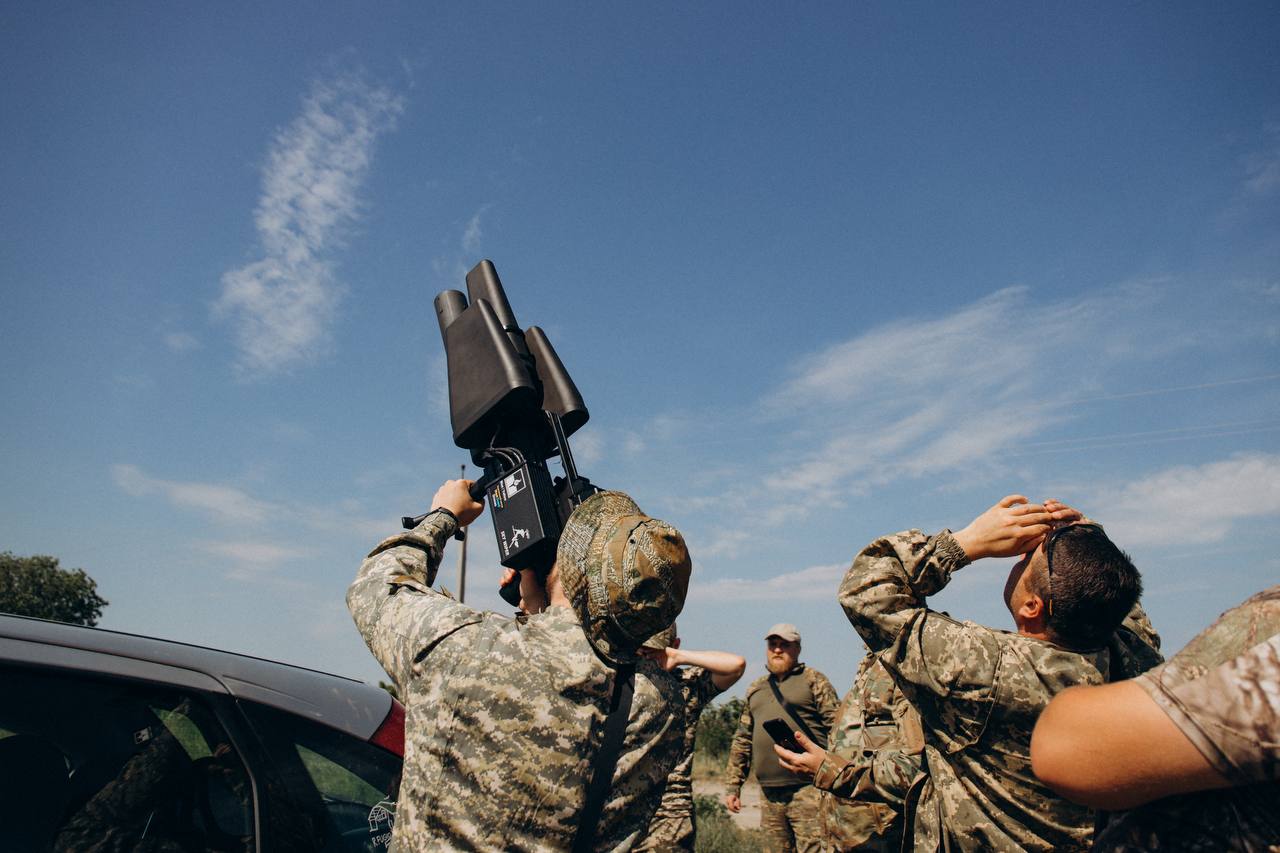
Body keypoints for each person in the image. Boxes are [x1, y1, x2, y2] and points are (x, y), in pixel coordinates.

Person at [779, 496, 1162, 852]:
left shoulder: (988, 670)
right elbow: (1119, 605)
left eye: (1025, 560)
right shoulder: (1132, 663)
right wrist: (1086, 537)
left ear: (1032, 606)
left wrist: (963, 544)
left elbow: (867, 589)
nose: (1018, 558)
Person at [347, 480, 692, 852]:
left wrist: (442, 516)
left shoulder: (467, 648)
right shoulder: (663, 706)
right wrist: (540, 588)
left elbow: (375, 588)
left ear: (572, 568)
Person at [1031, 583, 1280, 851]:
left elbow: (1065, 745)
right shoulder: (1135, 648)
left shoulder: (1009, 663)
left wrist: (976, 549)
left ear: (1033, 607)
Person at [724, 624, 839, 853]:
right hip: (769, 794)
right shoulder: (756, 688)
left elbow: (837, 729)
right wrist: (733, 786)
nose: (777, 650)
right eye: (772, 645)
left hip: (809, 789)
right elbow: (743, 739)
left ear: (797, 649)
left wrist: (837, 776)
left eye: (784, 645)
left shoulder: (814, 680)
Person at [631, 625, 747, 852]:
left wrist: (678, 657)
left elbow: (736, 665)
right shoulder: (623, 682)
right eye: (642, 651)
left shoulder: (688, 684)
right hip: (624, 811)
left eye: (655, 652)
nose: (648, 659)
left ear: (674, 646)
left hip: (670, 815)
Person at [809, 652, 925, 851]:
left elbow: (917, 775)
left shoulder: (910, 665)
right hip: (848, 837)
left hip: (885, 840)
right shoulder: (871, 665)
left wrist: (834, 773)